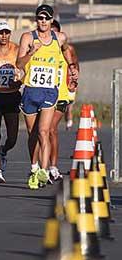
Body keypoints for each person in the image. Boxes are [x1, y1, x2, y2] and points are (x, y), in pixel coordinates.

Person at [16, 4, 78, 190]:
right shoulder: (28, 37)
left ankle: (43, 171)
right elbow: (19, 63)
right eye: (40, 18)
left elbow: (67, 50)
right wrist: (30, 53)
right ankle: (34, 167)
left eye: (46, 18)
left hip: (50, 91)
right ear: (36, 20)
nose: (43, 21)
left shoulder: (59, 38)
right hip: (30, 91)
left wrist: (72, 66)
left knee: (44, 132)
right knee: (32, 134)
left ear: (52, 20)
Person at [0, 21, 21, 183]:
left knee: (12, 138)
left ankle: (4, 150)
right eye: (0, 33)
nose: (4, 36)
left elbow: (23, 70)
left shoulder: (16, 50)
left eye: (6, 32)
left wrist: (19, 81)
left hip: (12, 95)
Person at [49, 19, 79, 181]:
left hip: (61, 94)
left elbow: (74, 64)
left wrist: (74, 79)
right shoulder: (42, 48)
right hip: (43, 94)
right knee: (42, 132)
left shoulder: (67, 49)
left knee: (51, 130)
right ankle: (41, 167)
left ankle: (53, 167)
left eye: (55, 32)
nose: (52, 35)